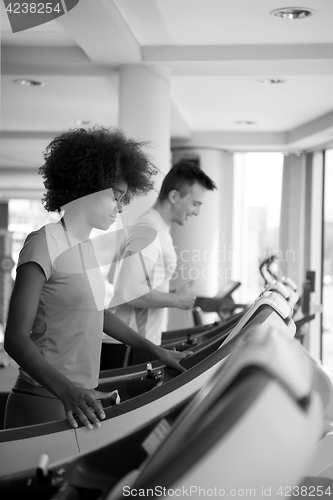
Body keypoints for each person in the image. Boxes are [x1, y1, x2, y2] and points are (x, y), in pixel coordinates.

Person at [3, 127, 190, 431]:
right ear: (87, 188)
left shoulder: (87, 248)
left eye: (124, 198)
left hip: (79, 399)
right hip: (45, 399)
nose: (120, 207)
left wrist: (155, 350)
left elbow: (97, 314)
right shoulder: (43, 243)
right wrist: (68, 392)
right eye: (116, 197)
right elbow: (15, 338)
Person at [104, 161, 217, 366]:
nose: (197, 212)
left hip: (131, 343)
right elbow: (127, 290)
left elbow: (115, 277)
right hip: (129, 345)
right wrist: (176, 301)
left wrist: (169, 294)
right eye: (195, 204)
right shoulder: (150, 230)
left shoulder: (149, 227)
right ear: (174, 197)